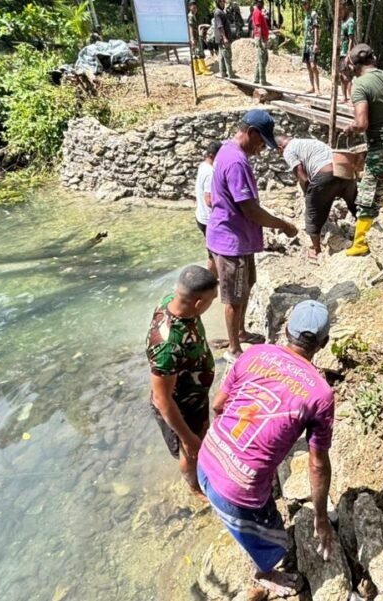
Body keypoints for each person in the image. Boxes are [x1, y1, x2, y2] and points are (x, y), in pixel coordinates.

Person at [197, 300, 336, 596]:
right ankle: (264, 572)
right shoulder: (320, 394)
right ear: (323, 343)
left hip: (205, 457)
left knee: (250, 503)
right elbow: (317, 464)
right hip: (238, 491)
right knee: (275, 542)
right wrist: (321, 519)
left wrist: (235, 449)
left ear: (286, 331)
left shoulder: (255, 353)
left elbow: (218, 405)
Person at [206, 110, 298, 361]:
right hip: (231, 240)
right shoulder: (237, 161)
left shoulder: (227, 150)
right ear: (251, 132)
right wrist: (283, 225)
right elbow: (251, 210)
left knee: (246, 285)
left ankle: (241, 332)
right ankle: (234, 349)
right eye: (261, 142)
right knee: (234, 298)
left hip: (238, 236)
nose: (261, 148)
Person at [146, 265, 219, 497]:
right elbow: (162, 399)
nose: (212, 304)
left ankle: (204, 466)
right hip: (180, 407)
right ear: (198, 303)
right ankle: (195, 488)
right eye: (212, 300)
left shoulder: (173, 301)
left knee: (201, 436)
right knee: (190, 451)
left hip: (194, 396)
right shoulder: (167, 347)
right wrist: (187, 438)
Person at [340, 44, 383, 256]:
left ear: (353, 65)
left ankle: (360, 243)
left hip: (382, 149)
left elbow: (362, 123)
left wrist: (351, 128)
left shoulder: (360, 85)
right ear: (374, 58)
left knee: (367, 196)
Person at [278, 135, 358, 258]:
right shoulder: (311, 141)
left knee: (312, 213)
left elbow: (302, 176)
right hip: (344, 172)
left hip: (325, 175)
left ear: (280, 148)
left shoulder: (288, 150)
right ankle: (367, 232)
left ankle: (316, 250)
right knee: (355, 206)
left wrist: (308, 194)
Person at [195, 141, 222, 275]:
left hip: (200, 216)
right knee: (215, 253)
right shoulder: (210, 172)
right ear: (212, 156)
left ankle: (212, 278)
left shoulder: (202, 166)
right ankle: (212, 279)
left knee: (212, 252)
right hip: (208, 219)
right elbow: (209, 200)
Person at [301, 0, 320, 95]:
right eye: (303, 4)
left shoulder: (313, 14)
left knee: (313, 66)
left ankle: (317, 88)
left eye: (305, 3)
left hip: (312, 43)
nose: (304, 5)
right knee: (308, 65)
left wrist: (316, 43)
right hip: (306, 44)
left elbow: (316, 28)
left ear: (309, 3)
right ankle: (312, 86)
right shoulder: (306, 15)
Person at [337, 4, 355, 102]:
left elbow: (351, 39)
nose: (340, 13)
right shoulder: (342, 21)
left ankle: (352, 99)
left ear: (346, 9)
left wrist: (349, 53)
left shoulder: (350, 21)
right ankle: (344, 97)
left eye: (341, 10)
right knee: (341, 75)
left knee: (346, 76)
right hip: (340, 52)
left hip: (345, 53)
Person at [214, 0, 235, 78]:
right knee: (227, 55)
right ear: (218, 2)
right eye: (222, 2)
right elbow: (220, 26)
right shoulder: (218, 12)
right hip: (223, 39)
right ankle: (230, 74)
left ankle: (223, 72)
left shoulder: (221, 12)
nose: (224, 3)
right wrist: (225, 38)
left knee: (222, 56)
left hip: (221, 38)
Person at [251, 0, 271, 86]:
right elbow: (258, 27)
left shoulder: (259, 12)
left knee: (261, 58)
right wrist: (262, 39)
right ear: (257, 3)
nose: (262, 4)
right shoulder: (257, 12)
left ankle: (256, 78)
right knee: (263, 59)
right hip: (260, 38)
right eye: (260, 2)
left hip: (261, 37)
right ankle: (262, 80)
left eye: (262, 2)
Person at [188, 2, 210, 76]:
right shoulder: (191, 16)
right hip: (195, 38)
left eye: (196, 8)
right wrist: (192, 38)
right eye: (193, 8)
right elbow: (191, 28)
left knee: (195, 54)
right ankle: (203, 69)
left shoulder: (192, 15)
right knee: (200, 53)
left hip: (195, 37)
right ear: (190, 7)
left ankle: (196, 69)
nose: (195, 9)